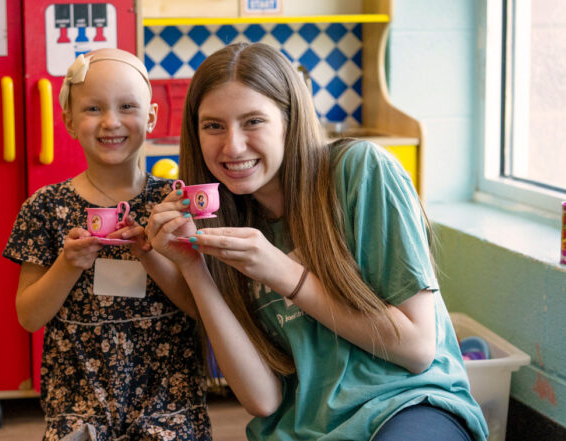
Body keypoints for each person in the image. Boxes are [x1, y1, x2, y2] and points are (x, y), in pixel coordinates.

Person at [146, 42, 489, 441]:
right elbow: (263, 401)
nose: (233, 146)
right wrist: (193, 266)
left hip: (408, 404)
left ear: (290, 121)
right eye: (213, 126)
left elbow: (416, 349)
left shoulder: (361, 171)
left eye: (253, 121)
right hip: (303, 429)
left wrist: (281, 271)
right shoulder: (222, 222)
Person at [3, 48, 211, 441]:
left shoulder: (174, 204)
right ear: (68, 120)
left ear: (150, 117)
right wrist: (68, 263)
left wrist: (150, 255)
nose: (111, 122)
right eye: (93, 108)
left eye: (127, 106)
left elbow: (200, 306)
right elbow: (29, 316)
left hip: (169, 404)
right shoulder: (45, 207)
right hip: (79, 406)